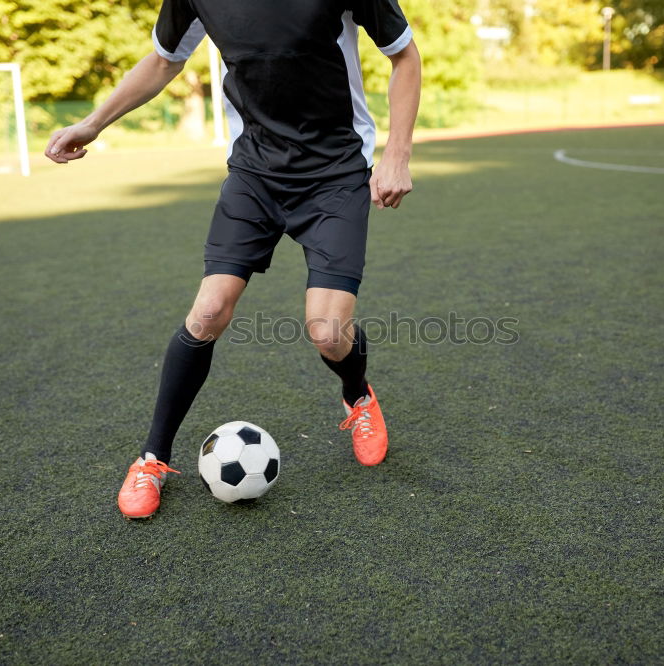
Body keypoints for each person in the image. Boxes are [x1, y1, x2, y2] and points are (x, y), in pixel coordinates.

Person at [45, 0, 421, 519]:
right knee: (207, 312)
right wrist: (93, 123)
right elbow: (163, 60)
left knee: (328, 331)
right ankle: (152, 458)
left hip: (335, 171)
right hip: (255, 172)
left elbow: (405, 56)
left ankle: (357, 397)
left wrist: (397, 152)